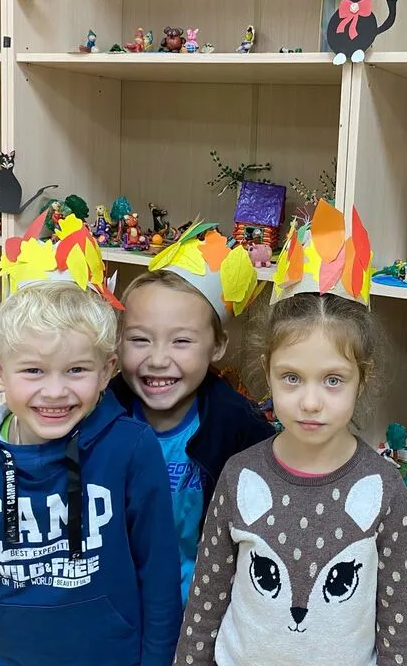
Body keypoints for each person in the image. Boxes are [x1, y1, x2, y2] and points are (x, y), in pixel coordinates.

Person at [174, 203, 407, 666]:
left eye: (333, 380)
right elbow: (206, 602)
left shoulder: (385, 488)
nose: (310, 402)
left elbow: (401, 622)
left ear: (362, 379)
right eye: (291, 378)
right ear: (267, 371)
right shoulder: (239, 474)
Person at [0, 214, 182, 666]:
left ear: (106, 371)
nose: (54, 392)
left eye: (76, 370)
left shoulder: (131, 449)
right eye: (33, 370)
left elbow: (160, 575)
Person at [110, 223, 275, 603]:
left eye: (181, 341)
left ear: (217, 345)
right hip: (117, 606)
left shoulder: (239, 428)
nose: (157, 359)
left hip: (201, 610)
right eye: (139, 339)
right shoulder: (101, 415)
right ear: (118, 341)